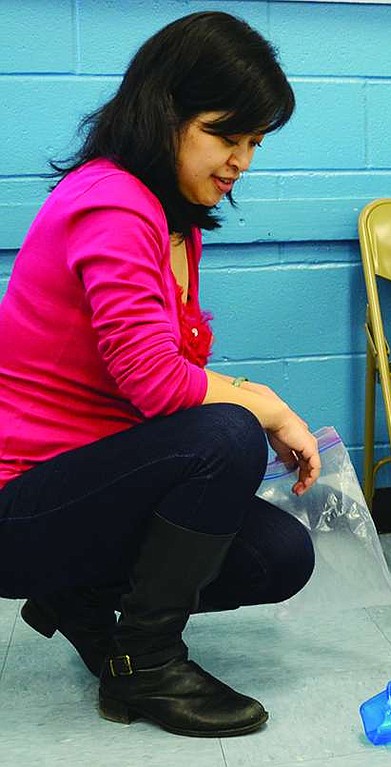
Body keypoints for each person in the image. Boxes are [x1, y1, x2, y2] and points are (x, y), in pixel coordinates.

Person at [0, 12, 320, 737]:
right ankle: (144, 663)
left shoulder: (172, 217)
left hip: (87, 487)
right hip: (21, 501)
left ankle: (76, 596)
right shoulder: (112, 203)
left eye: (254, 142)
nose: (241, 159)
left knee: (279, 555)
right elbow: (157, 384)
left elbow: (158, 380)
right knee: (228, 432)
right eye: (225, 135)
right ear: (163, 112)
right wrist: (265, 403)